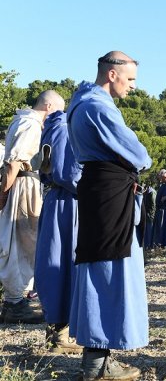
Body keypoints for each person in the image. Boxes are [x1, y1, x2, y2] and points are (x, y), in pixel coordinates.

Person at [66, 51, 151, 380]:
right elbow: (138, 154)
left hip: (99, 189)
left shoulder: (80, 103)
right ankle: (97, 364)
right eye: (130, 80)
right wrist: (140, 160)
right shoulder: (97, 107)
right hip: (110, 193)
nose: (133, 87)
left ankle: (99, 359)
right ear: (112, 75)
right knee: (108, 268)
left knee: (100, 265)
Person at [0, 90, 65, 324]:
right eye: (57, 111)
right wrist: (4, 194)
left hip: (26, 183)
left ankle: (15, 301)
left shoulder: (27, 123)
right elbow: (13, 164)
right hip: (23, 185)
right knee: (21, 241)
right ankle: (15, 302)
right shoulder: (29, 124)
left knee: (26, 241)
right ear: (48, 106)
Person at [34, 107, 84, 353]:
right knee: (63, 264)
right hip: (68, 202)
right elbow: (69, 174)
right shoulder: (64, 128)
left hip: (56, 199)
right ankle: (60, 335)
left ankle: (57, 331)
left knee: (55, 261)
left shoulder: (51, 128)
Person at [151, 169, 166, 248]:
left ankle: (165, 243)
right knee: (159, 228)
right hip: (160, 209)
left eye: (161, 178)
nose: (160, 181)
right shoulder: (164, 184)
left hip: (165, 209)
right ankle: (160, 243)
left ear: (164, 176)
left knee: (164, 227)